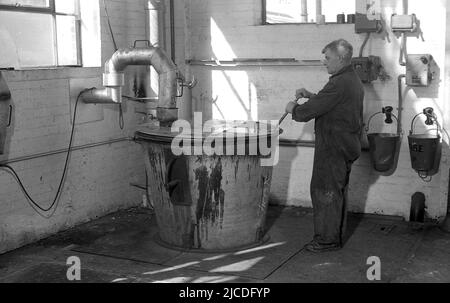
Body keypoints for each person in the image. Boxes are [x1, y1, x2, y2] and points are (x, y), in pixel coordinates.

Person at [285, 39, 364, 253]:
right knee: (335, 191)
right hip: (346, 145)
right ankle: (333, 237)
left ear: (340, 58)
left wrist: (293, 108)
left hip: (334, 148)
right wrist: (311, 95)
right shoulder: (351, 79)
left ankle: (327, 241)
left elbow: (306, 113)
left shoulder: (339, 83)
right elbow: (330, 102)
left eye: (328, 58)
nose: (324, 62)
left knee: (325, 191)